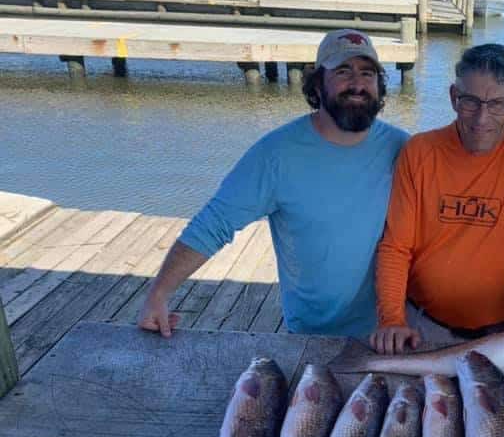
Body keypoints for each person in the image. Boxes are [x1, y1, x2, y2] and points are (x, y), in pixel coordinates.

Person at [137, 30, 408, 338]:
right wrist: (159, 294)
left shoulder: (404, 149)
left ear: (379, 85)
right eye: (343, 72)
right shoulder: (275, 154)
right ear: (317, 84)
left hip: (393, 330)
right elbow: (214, 224)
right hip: (312, 334)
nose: (357, 84)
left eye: (367, 73)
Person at [371, 43, 504, 355]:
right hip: (421, 327)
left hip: (496, 335)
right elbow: (396, 247)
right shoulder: (420, 152)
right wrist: (392, 320)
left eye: (497, 104)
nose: (481, 118)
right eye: (470, 102)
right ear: (454, 97)